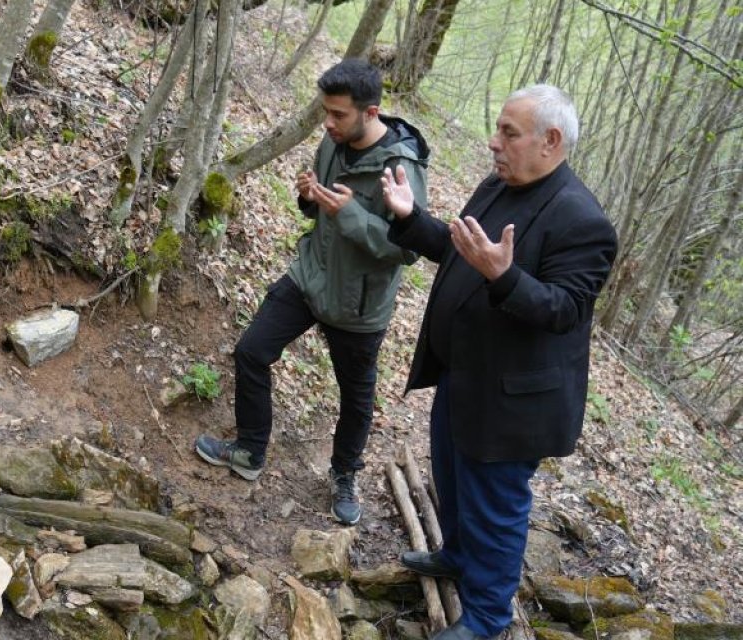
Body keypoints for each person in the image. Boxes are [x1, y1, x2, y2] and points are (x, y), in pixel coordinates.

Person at [379, 85, 617, 640]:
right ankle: (458, 556)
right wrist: (412, 219)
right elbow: (460, 249)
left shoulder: (583, 220)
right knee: (453, 480)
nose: (494, 142)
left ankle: (487, 617)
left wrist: (504, 276)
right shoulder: (499, 184)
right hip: (463, 374)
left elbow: (564, 310)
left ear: (550, 141)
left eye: (509, 133)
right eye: (498, 130)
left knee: (496, 506)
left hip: (513, 401)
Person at [194, 58, 429, 526]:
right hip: (309, 277)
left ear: (370, 112)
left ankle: (344, 474)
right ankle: (250, 450)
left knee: (355, 399)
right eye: (326, 111)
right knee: (252, 351)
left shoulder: (400, 166)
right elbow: (319, 211)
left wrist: (350, 214)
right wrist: (309, 197)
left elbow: (408, 248)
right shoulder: (334, 141)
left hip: (358, 304)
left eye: (338, 114)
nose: (328, 122)